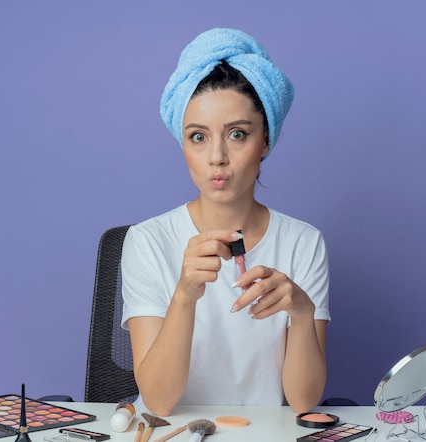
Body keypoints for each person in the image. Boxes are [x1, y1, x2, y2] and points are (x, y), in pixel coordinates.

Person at [121, 28, 330, 417]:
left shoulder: (304, 242)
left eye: (237, 134)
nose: (217, 156)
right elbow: (159, 401)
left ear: (265, 140)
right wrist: (184, 294)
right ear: (182, 144)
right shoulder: (146, 241)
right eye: (198, 137)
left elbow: (304, 402)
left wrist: (302, 313)